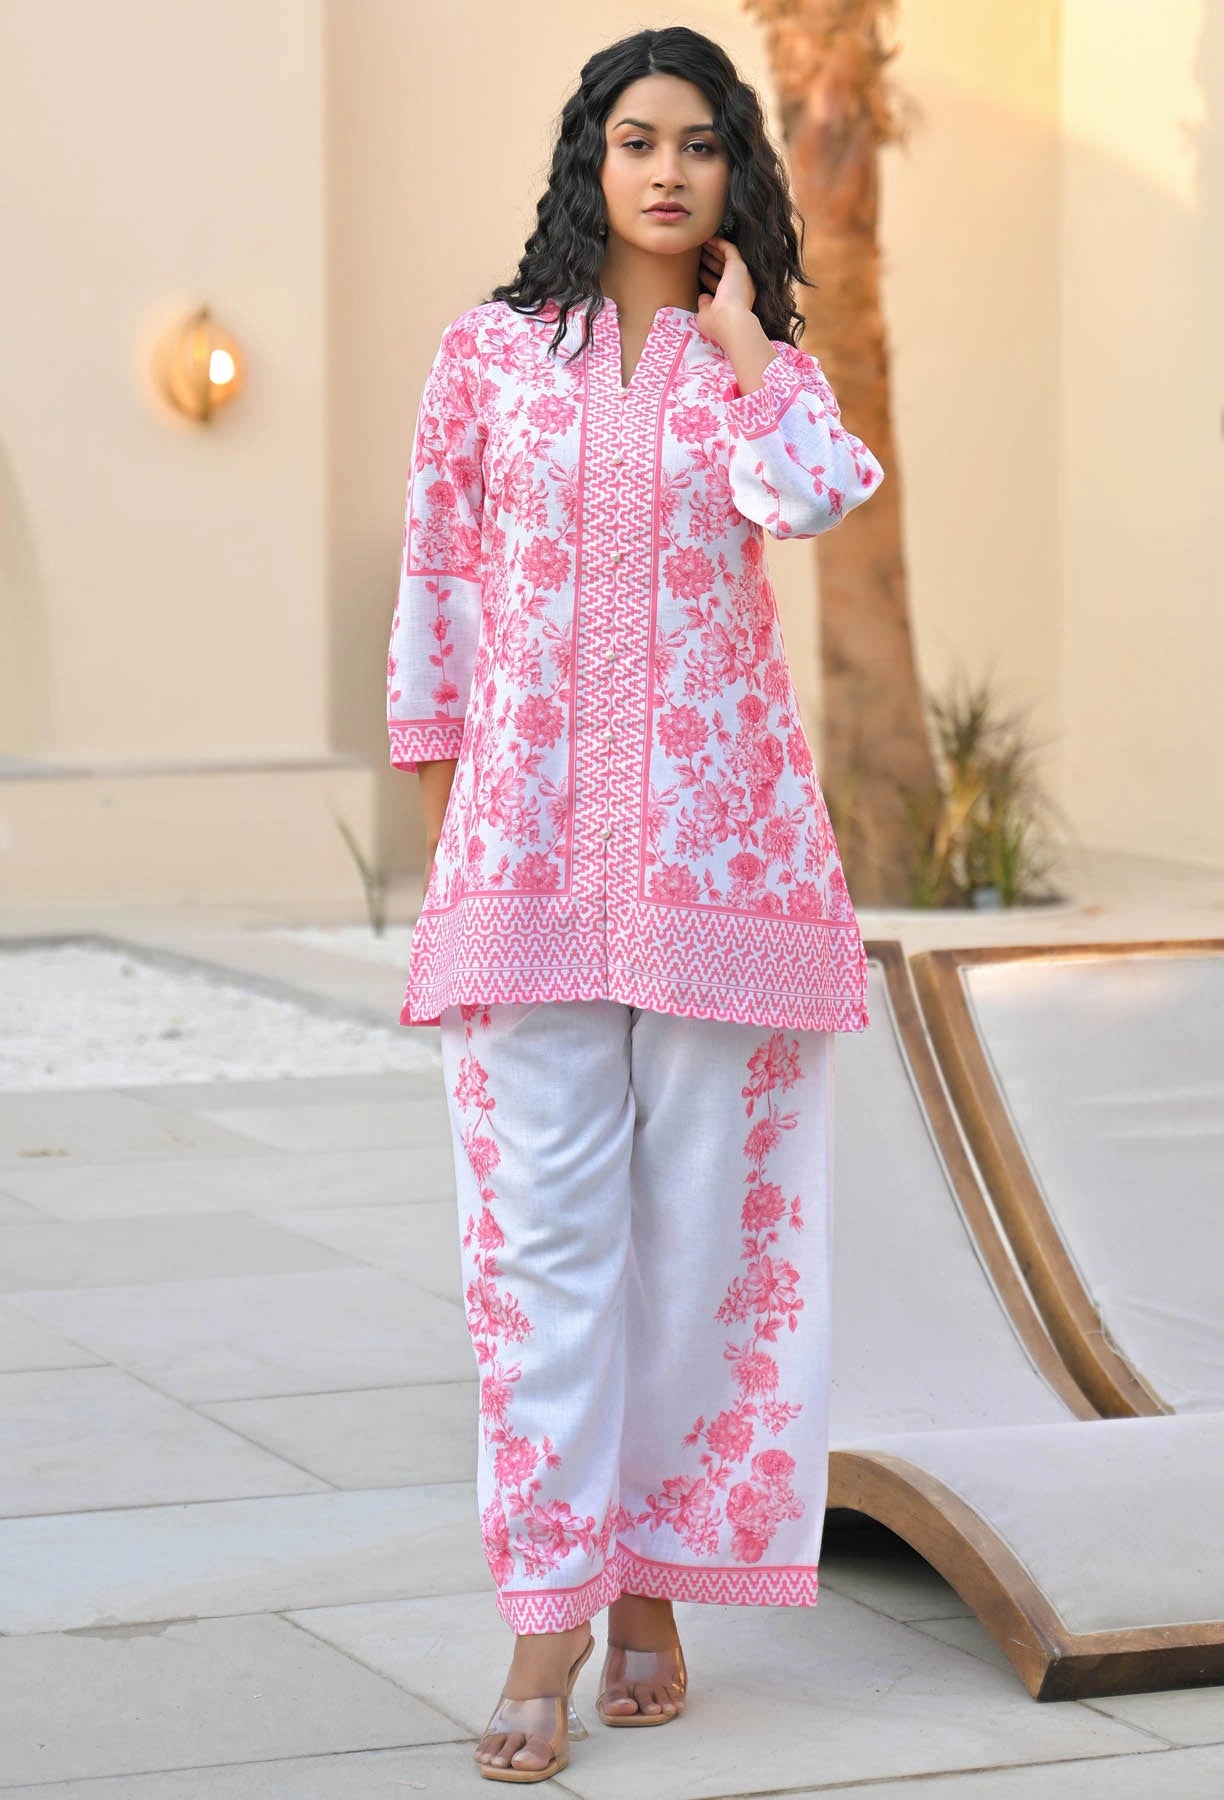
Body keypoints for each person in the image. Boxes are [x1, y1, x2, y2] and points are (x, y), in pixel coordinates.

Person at [386, 24, 884, 1785]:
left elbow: (813, 499)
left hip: (725, 873)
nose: (663, 169)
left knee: (707, 1258)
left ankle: (660, 1587)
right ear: (588, 159)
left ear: (732, 175)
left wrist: (749, 350)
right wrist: (450, 817)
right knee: (538, 1256)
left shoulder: (766, 372)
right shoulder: (490, 357)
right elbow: (439, 575)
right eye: (631, 138)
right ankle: (548, 1613)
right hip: (525, 866)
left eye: (695, 144)